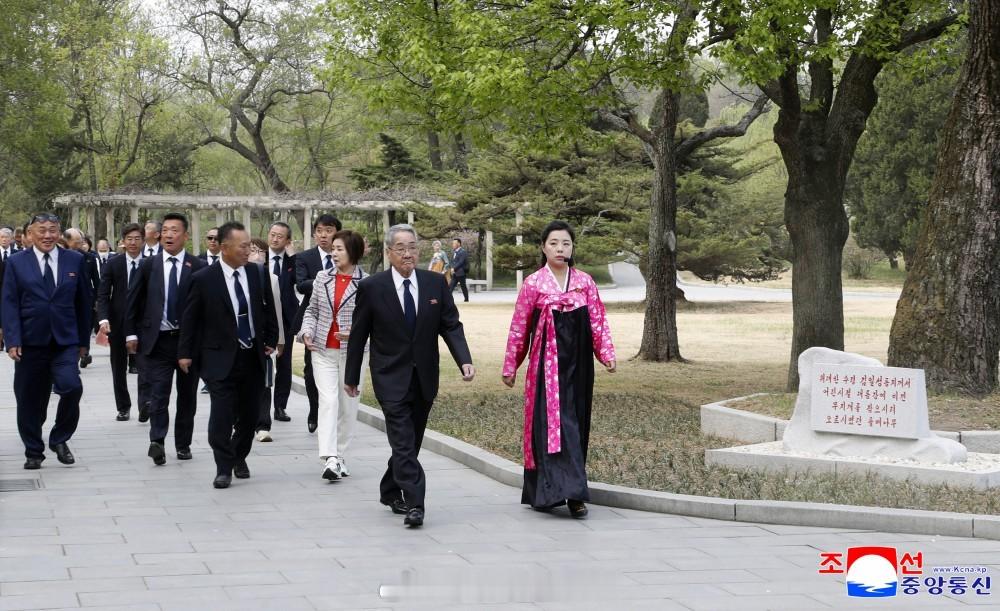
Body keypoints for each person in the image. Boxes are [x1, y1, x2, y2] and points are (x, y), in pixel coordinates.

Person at [345, 224, 475, 528]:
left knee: (411, 440)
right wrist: (352, 375)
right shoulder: (372, 287)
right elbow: (359, 334)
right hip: (389, 376)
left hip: (425, 375)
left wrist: (464, 360)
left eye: (413, 247)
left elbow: (451, 325)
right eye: (401, 248)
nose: (408, 253)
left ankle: (389, 488)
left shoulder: (434, 284)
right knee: (403, 440)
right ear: (389, 252)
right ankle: (415, 502)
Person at [502, 220, 616, 519]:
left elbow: (598, 320)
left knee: (575, 422)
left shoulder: (585, 282)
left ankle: (570, 488)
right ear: (543, 247)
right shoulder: (533, 284)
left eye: (565, 243)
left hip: (578, 365)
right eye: (553, 243)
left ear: (572, 247)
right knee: (554, 423)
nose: (560, 248)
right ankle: (565, 493)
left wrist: (606, 353)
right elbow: (519, 326)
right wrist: (511, 364)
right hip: (546, 367)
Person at [178, 222, 279, 489]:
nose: (249, 250)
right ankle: (223, 466)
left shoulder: (258, 273)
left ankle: (239, 455)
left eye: (249, 245)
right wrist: (185, 353)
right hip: (218, 358)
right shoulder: (203, 278)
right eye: (243, 246)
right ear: (224, 248)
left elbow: (267, 310)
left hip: (252, 356)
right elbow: (190, 319)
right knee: (221, 415)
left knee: (248, 416)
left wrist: (271, 339)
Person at [3, 213, 93, 469]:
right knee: (30, 399)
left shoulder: (74, 260)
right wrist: (12, 339)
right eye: (41, 230)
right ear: (30, 234)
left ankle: (59, 438)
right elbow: (9, 303)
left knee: (72, 387)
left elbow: (83, 302)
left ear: (59, 232)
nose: (47, 235)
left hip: (64, 341)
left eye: (52, 230)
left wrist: (83, 340)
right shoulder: (16, 263)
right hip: (30, 342)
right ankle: (33, 451)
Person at [125, 213, 207, 465]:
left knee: (187, 396)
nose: (169, 235)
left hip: (188, 343)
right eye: (166, 230)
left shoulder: (199, 267)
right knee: (159, 394)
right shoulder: (148, 266)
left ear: (185, 236)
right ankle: (157, 441)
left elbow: (206, 309)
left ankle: (183, 444)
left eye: (175, 230)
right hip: (157, 341)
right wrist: (131, 333)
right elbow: (134, 302)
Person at [298, 230, 368, 481]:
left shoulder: (368, 283)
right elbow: (312, 311)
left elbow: (376, 324)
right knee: (328, 401)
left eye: (340, 249)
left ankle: (340, 456)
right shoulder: (322, 278)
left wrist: (356, 335)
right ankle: (329, 457)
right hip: (322, 350)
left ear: (354, 252)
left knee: (348, 406)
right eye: (333, 249)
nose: (334, 253)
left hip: (353, 354)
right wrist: (307, 331)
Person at [293, 213, 342, 433]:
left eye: (329, 230)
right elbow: (302, 284)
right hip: (313, 319)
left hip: (341, 321)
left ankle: (334, 412)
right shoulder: (305, 257)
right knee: (311, 370)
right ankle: (315, 410)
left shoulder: (345, 256)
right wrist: (329, 279)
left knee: (340, 369)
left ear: (337, 233)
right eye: (319, 231)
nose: (324, 235)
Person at [97, 224, 144, 421]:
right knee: (118, 366)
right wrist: (104, 318)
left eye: (137, 238)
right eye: (129, 239)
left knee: (145, 365)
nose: (133, 242)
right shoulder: (113, 264)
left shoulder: (150, 264)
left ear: (143, 240)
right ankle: (123, 406)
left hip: (143, 322)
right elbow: (103, 293)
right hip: (118, 321)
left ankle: (145, 404)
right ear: (123, 242)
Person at [259, 222, 298, 434]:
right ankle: (261, 408)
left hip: (286, 319)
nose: (275, 239)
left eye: (280, 236)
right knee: (265, 364)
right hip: (266, 320)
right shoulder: (259, 259)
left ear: (287, 241)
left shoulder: (292, 262)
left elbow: (298, 281)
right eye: (272, 234)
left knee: (285, 363)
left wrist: (292, 258)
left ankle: (280, 406)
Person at [248, 237, 285, 442]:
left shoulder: (269, 277)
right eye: (250, 250)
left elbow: (275, 310)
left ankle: (263, 425)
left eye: (259, 251)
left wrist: (277, 339)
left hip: (264, 341)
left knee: (265, 382)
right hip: (242, 340)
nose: (254, 254)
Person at [449, 238, 469, 302]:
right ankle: (448, 300)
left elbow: (461, 262)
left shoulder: (463, 252)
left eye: (454, 243)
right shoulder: (454, 252)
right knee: (451, 287)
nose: (453, 244)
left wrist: (454, 268)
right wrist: (452, 268)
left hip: (461, 273)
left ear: (459, 244)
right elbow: (453, 261)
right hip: (455, 273)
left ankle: (466, 299)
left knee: (463, 287)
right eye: (453, 243)